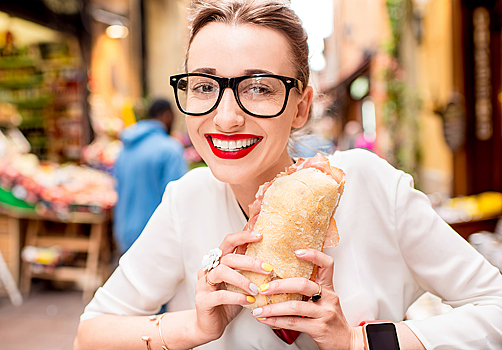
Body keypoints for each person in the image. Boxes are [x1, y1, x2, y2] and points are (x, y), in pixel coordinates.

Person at [74, 1, 502, 349]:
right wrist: (197, 327)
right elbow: (90, 333)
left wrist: (357, 341)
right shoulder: (188, 200)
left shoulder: (366, 184)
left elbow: (494, 308)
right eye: (204, 87)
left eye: (258, 88)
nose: (225, 118)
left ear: (301, 106)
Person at [112, 98, 188, 253]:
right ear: (167, 115)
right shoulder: (170, 149)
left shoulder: (124, 149)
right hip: (155, 241)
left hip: (124, 235)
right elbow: (180, 201)